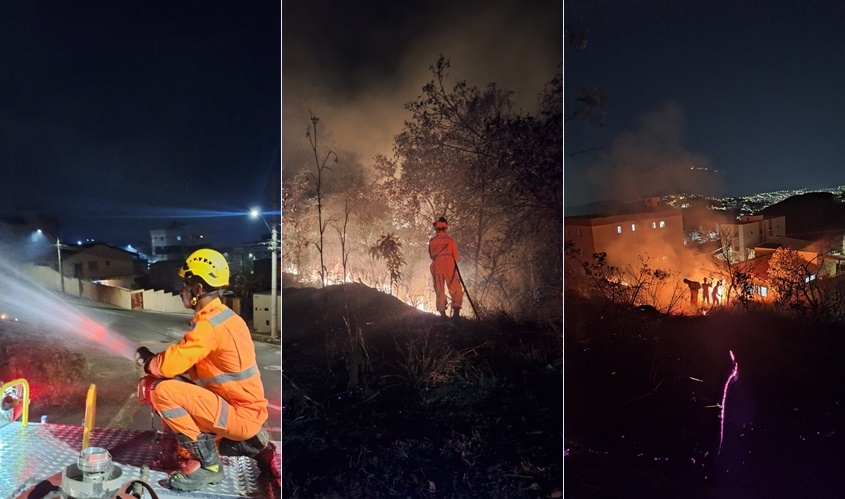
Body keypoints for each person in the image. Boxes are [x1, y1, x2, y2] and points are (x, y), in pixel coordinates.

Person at [134, 248, 276, 491]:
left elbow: (167, 365)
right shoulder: (228, 317)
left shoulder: (208, 325)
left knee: (160, 391)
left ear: (198, 290)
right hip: (247, 411)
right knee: (174, 383)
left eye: (184, 285)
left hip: (238, 414)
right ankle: (251, 443)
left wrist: (146, 360)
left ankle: (208, 464)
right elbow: (187, 364)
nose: (181, 290)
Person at [429, 216, 463, 319]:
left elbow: (431, 255)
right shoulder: (450, 240)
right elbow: (455, 256)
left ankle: (443, 314)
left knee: (439, 289)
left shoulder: (432, 241)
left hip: (437, 267)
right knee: (455, 288)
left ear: (436, 229)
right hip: (449, 267)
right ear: (445, 228)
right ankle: (456, 314)